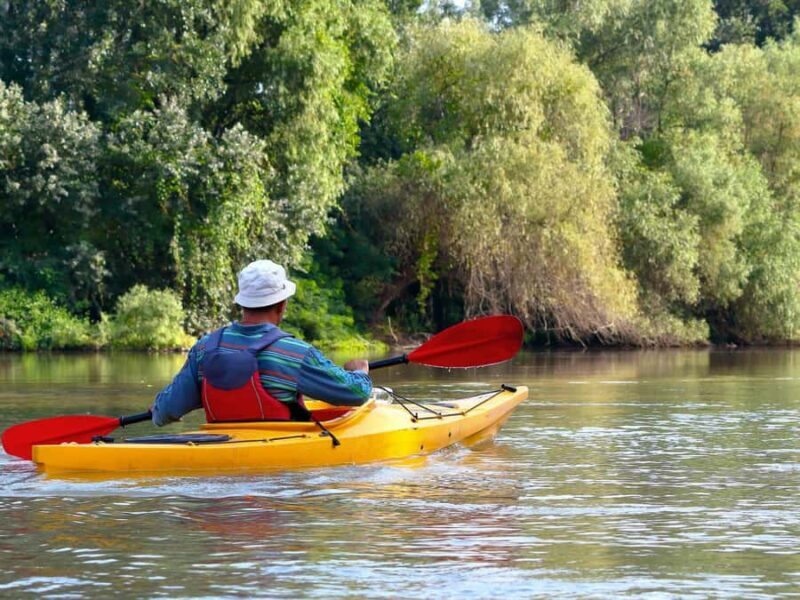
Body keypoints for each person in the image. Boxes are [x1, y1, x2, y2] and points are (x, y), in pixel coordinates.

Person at [151, 259, 372, 426]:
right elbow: (356, 393)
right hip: (279, 463)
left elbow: (165, 412)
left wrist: (162, 407)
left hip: (221, 457)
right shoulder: (295, 353)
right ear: (282, 305)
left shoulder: (204, 349)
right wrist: (360, 372)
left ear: (242, 303)